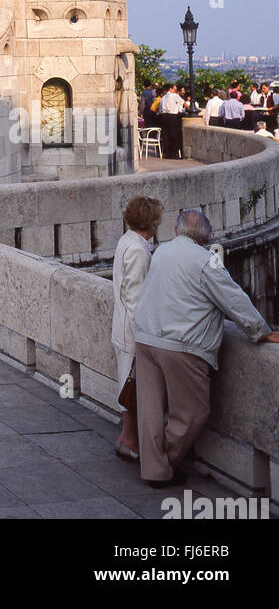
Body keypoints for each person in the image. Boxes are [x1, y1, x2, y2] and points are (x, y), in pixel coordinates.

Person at [133, 208, 279, 487]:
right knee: (193, 411)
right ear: (207, 236)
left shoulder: (161, 252)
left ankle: (153, 469)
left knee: (150, 408)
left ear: (176, 231)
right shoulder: (206, 261)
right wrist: (262, 332)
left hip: (146, 338)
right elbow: (233, 299)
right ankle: (166, 461)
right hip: (181, 345)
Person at [112, 195, 163, 462]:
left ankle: (125, 438)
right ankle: (130, 440)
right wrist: (142, 337)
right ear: (151, 224)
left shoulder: (126, 241)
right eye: (157, 221)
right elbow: (136, 299)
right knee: (133, 389)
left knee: (127, 385)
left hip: (122, 327)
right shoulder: (139, 251)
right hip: (132, 332)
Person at [158, 83, 184, 159]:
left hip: (164, 116)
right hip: (173, 116)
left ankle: (167, 153)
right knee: (174, 135)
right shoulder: (175, 96)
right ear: (171, 89)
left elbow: (160, 109)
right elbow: (183, 103)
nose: (176, 91)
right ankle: (173, 153)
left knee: (166, 135)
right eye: (175, 90)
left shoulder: (163, 97)